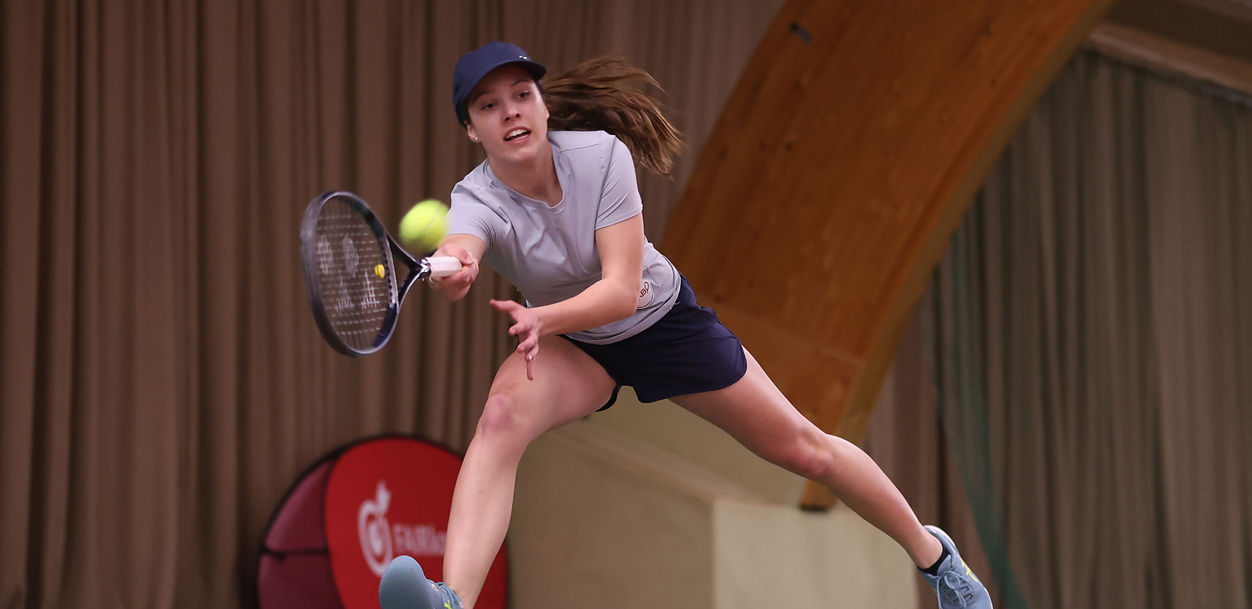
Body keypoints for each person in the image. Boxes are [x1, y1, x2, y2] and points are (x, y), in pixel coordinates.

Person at [376, 41, 992, 609]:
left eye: (521, 95)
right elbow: (464, 249)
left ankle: (937, 561)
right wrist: (458, 271)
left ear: (541, 103)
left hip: (662, 322)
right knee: (502, 418)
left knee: (804, 450)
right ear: (470, 127)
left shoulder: (600, 156)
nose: (510, 112)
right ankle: (451, 600)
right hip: (577, 346)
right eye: (489, 105)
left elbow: (619, 292)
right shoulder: (475, 200)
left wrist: (545, 316)